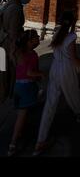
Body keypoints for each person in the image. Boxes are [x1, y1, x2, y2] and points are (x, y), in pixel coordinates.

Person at [34, 11, 80, 156]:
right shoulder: (71, 37)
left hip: (55, 67)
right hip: (65, 68)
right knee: (72, 92)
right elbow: (73, 57)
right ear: (72, 22)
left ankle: (40, 140)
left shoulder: (57, 32)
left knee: (50, 103)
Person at [8, 29, 44, 157]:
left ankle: (19, 134)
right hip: (27, 88)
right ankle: (13, 143)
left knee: (22, 113)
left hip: (18, 86)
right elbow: (30, 73)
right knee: (22, 115)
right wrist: (42, 74)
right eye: (36, 37)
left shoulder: (18, 53)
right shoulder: (32, 55)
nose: (38, 39)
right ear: (29, 42)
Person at [0, 0, 35, 104]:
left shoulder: (8, 4)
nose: (29, 0)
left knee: (2, 69)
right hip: (9, 44)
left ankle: (4, 93)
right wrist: (13, 51)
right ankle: (6, 94)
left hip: (2, 41)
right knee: (9, 71)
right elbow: (13, 32)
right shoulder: (16, 9)